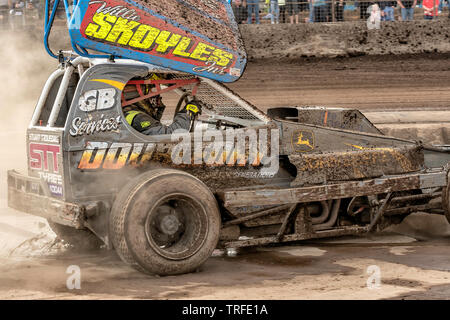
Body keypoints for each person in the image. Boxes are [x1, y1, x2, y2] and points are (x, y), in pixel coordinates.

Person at [122, 76, 201, 135]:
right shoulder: (137, 117)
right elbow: (171, 135)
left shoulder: (127, 114)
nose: (158, 96)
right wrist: (188, 112)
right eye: (152, 90)